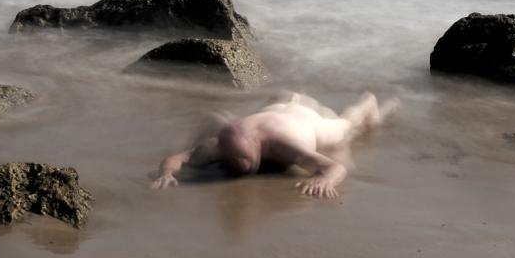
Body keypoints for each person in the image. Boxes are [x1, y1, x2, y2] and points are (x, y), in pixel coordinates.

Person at [151, 92, 397, 198]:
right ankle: (289, 97)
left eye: (243, 160)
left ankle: (367, 103)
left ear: (259, 146)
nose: (239, 166)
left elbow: (334, 168)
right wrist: (166, 174)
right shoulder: (219, 144)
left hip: (301, 121)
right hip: (271, 113)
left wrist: (324, 180)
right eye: (234, 160)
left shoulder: (283, 146)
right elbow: (178, 158)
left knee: (342, 127)